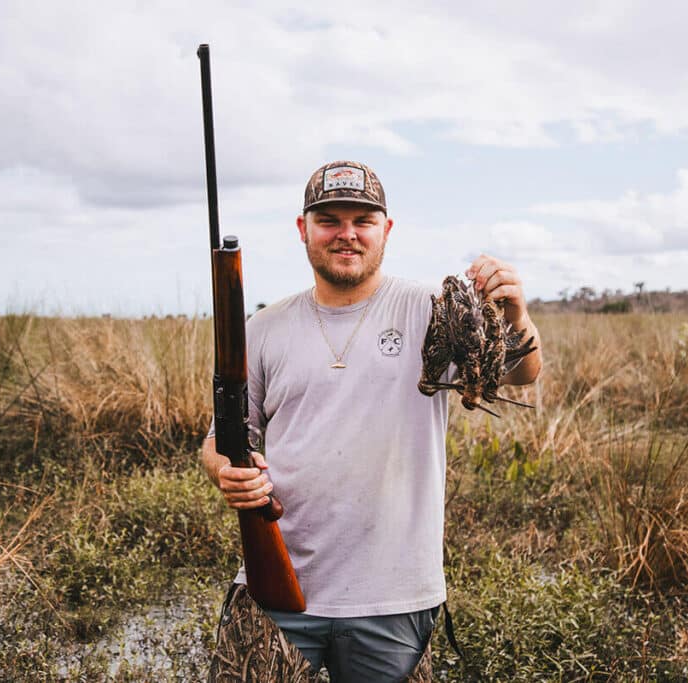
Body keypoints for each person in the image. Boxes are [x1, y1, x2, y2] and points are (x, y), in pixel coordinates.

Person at [201, 160, 542, 682]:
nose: (347, 234)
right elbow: (221, 439)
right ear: (303, 230)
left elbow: (520, 374)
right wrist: (226, 472)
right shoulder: (264, 327)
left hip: (395, 595)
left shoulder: (432, 309)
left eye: (362, 220)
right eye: (329, 220)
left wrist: (515, 313)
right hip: (278, 589)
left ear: (386, 229)